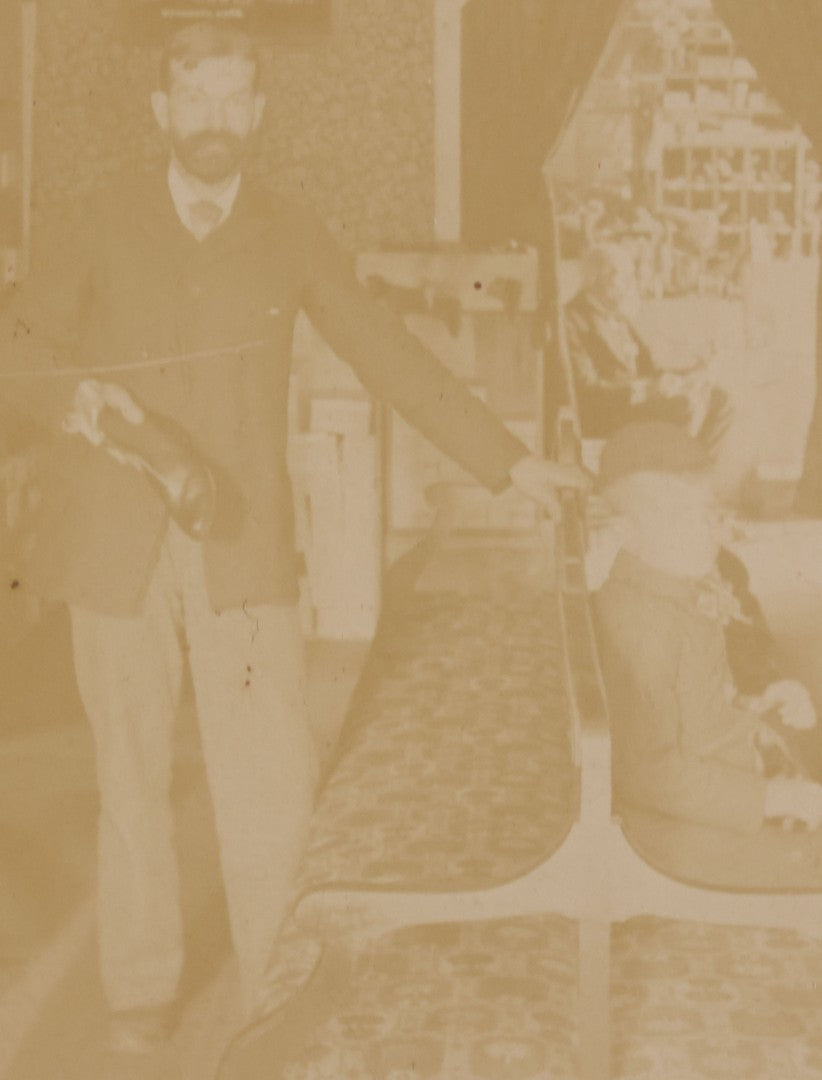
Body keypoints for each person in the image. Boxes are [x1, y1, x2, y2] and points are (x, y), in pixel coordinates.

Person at [0, 18, 585, 1078]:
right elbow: (17, 350)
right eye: (198, 100)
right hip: (111, 542)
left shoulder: (288, 229)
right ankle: (139, 992)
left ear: (257, 113)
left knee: (269, 777)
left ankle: (274, 983)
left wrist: (510, 463)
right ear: (163, 111)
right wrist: (76, 400)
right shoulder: (92, 221)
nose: (216, 120)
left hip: (241, 540)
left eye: (235, 100)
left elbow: (387, 351)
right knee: (128, 780)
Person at [593, 422, 822, 836]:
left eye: (710, 511)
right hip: (704, 820)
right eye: (683, 517)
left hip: (736, 768)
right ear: (625, 532)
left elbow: (697, 706)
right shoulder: (644, 629)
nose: (712, 529)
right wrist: (773, 798)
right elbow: (648, 773)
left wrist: (762, 700)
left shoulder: (676, 587)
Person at [564, 243, 730, 448]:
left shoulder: (619, 318)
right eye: (621, 275)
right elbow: (587, 392)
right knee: (684, 407)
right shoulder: (572, 320)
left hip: (636, 407)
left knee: (721, 400)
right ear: (595, 278)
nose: (629, 283)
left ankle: (701, 470)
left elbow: (652, 370)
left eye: (630, 275)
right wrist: (644, 390)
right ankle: (676, 472)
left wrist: (693, 374)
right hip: (609, 414)